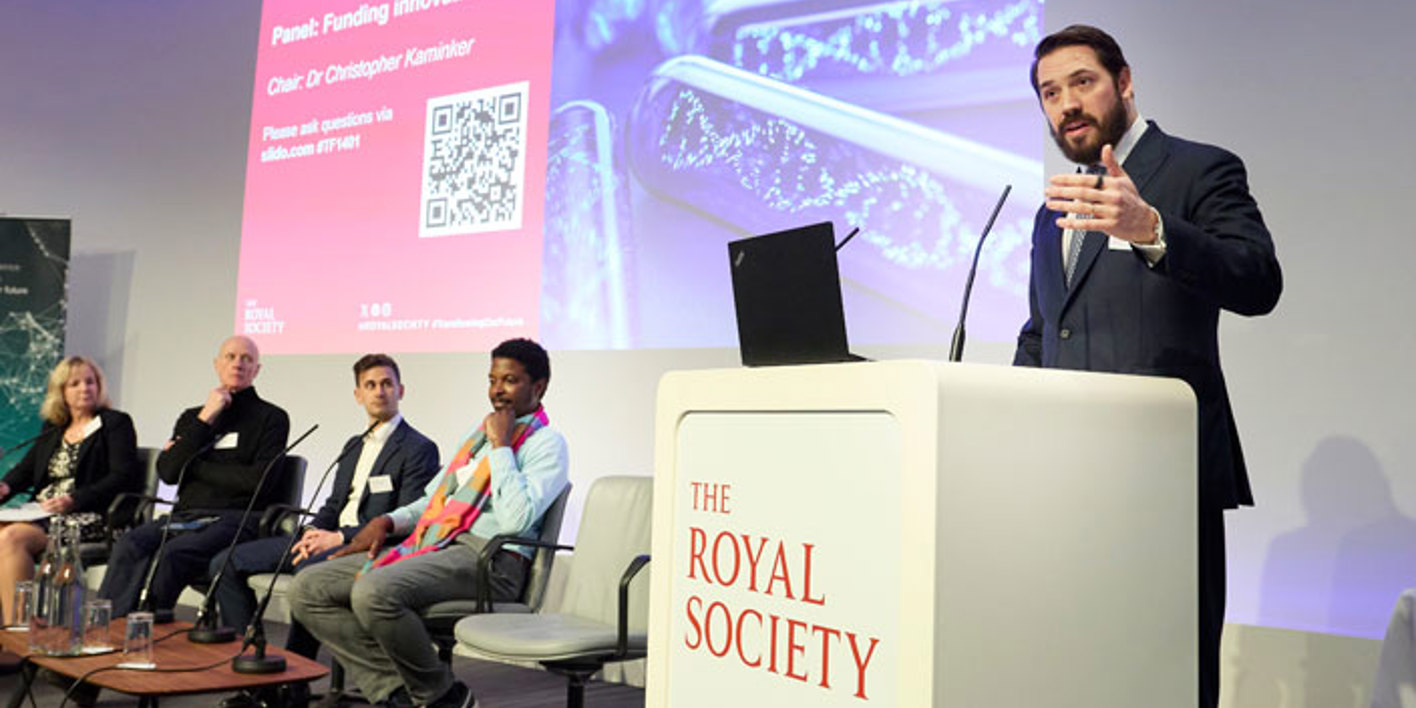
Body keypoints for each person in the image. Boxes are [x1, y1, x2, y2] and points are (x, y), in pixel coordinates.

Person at [1012, 25, 1282, 708]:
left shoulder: (1199, 169)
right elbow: (1045, 331)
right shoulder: (1054, 209)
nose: (1067, 104)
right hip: (1068, 485)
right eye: (1050, 93)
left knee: (1167, 677)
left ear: (1125, 82)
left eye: (1082, 82)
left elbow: (1258, 280)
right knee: (1080, 673)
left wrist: (1153, 230)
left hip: (1166, 477)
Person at [289, 338, 569, 708]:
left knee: (373, 592)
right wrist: (388, 522)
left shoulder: (546, 444)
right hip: (439, 545)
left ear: (539, 387)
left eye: (510, 381)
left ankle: (440, 696)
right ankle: (399, 692)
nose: (497, 391)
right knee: (308, 587)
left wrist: (502, 447)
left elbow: (515, 520)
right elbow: (432, 502)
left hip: (492, 563)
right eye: (492, 380)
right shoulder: (478, 439)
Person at [210, 354, 439, 707]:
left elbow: (404, 518)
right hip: (328, 538)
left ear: (401, 390)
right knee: (225, 564)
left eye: (387, 384)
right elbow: (333, 505)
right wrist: (312, 532)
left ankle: (293, 681)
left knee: (310, 575)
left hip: (368, 547)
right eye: (370, 385)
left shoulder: (418, 448)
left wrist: (340, 538)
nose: (379, 391)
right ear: (358, 395)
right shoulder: (353, 445)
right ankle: (256, 676)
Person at [99, 335, 290, 617]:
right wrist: (206, 418)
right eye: (230, 356)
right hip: (187, 517)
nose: (238, 363)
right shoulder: (193, 418)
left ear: (256, 370)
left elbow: (257, 481)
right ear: (217, 364)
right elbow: (168, 472)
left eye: (247, 359)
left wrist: (194, 465)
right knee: (130, 543)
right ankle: (108, 627)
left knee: (174, 552)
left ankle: (146, 627)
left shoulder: (271, 417)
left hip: (237, 519)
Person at [0, 356, 140, 625]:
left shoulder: (114, 423)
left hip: (91, 515)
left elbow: (122, 476)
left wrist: (74, 499)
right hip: (42, 512)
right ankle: (16, 622)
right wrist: (6, 486)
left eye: (90, 381)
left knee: (12, 537)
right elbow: (27, 469)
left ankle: (18, 629)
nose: (85, 388)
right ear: (61, 391)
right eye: (75, 384)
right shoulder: (54, 428)